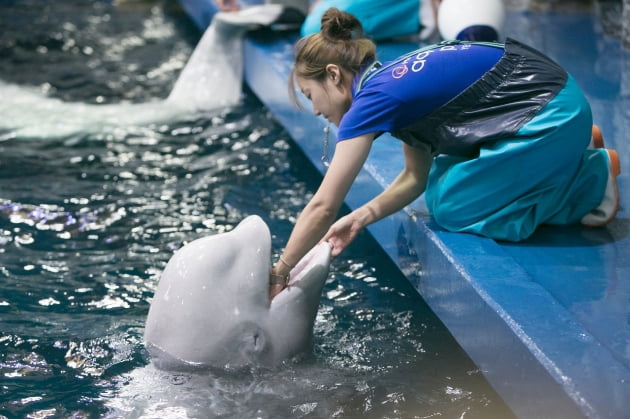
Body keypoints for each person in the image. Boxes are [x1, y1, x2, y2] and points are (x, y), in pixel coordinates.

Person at [267, 8, 621, 299]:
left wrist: (279, 273)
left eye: (310, 94)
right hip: (549, 102)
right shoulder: (385, 84)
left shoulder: (373, 101)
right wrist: (361, 218)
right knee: (439, 184)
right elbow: (414, 177)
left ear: (333, 75)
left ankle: (589, 180)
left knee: (453, 208)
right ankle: (565, 149)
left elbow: (323, 206)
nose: (314, 110)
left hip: (549, 112)